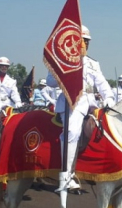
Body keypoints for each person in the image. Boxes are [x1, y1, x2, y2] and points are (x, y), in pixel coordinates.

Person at [46, 25, 115, 192]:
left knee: (110, 127)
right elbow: (50, 82)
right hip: (72, 102)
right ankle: (66, 175)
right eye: (82, 41)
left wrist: (109, 97)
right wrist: (64, 71)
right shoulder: (62, 60)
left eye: (87, 41)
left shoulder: (93, 63)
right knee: (72, 132)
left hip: (90, 102)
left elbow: (102, 83)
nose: (85, 44)